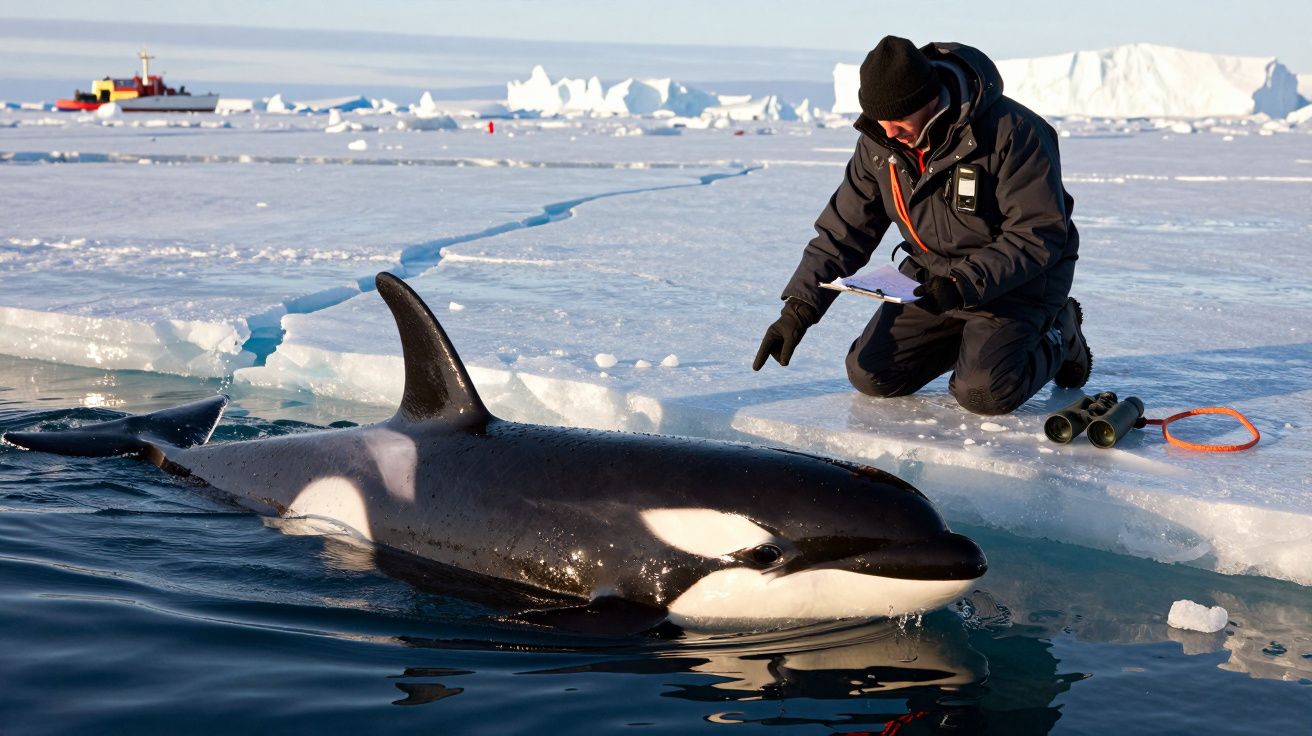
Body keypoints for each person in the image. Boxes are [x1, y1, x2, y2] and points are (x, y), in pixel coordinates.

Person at [753, 36, 1091, 416]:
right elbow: (843, 230)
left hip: (1018, 283)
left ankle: (1060, 334)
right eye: (880, 121)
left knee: (982, 393)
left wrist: (961, 285)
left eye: (898, 120)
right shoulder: (880, 144)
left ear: (929, 98)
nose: (889, 132)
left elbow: (1037, 235)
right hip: (932, 281)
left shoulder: (1012, 132)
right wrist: (799, 309)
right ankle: (974, 341)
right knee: (870, 374)